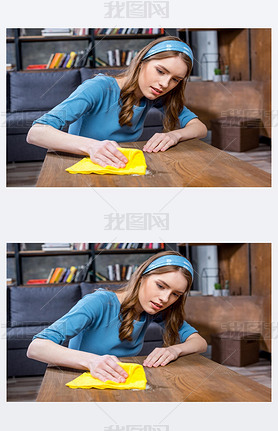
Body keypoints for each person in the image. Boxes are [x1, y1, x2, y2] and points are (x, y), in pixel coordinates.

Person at [27, 36, 207, 169]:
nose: (165, 84)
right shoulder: (99, 87)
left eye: (175, 79)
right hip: (81, 167)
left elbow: (199, 127)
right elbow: (36, 132)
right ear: (141, 62)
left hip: (120, 167)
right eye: (160, 71)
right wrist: (92, 146)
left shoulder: (155, 96)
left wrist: (174, 135)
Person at [27, 251, 207, 383]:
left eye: (176, 294)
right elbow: (36, 347)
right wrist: (92, 361)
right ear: (142, 276)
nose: (165, 299)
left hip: (120, 382)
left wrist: (174, 350)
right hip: (82, 383)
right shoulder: (99, 302)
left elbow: (199, 342)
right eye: (160, 286)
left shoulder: (155, 311)